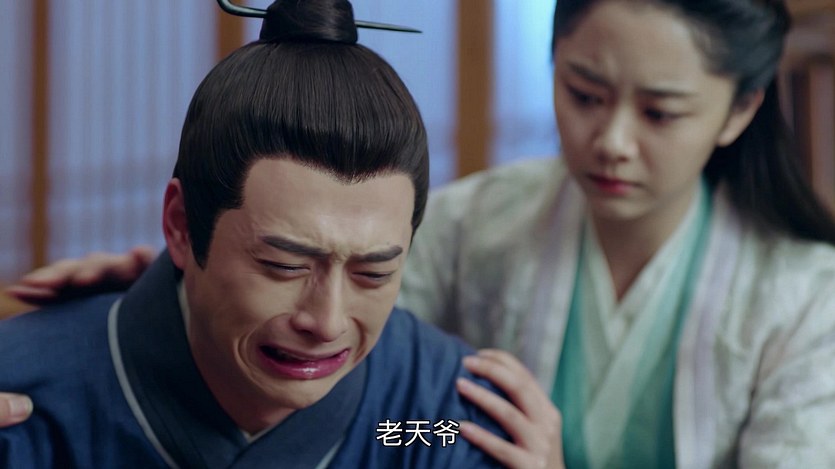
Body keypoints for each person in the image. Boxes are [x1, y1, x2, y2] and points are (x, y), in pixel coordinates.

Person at [8, 0, 835, 466]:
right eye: (583, 93)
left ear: (740, 109)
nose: (611, 140)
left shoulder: (807, 299)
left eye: (659, 112)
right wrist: (162, 284)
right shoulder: (476, 221)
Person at [0, 1, 532, 467]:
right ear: (181, 226)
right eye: (284, 266)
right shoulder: (26, 398)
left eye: (373, 273)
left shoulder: (441, 418)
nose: (326, 322)